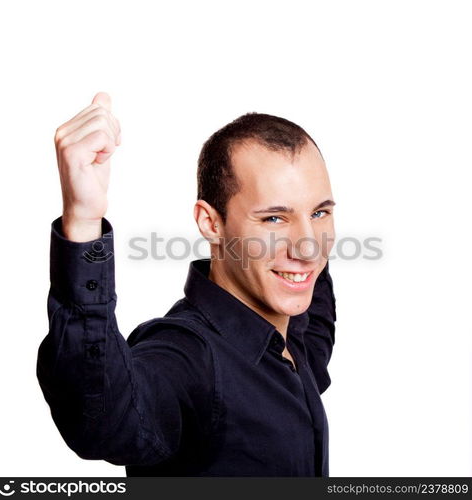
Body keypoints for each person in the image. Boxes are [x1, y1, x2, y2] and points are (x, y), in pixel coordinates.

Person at [37, 92, 337, 477]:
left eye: (320, 212)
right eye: (274, 219)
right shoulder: (187, 358)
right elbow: (104, 421)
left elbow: (318, 320)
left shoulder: (295, 335)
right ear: (212, 224)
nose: (310, 247)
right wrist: (82, 222)